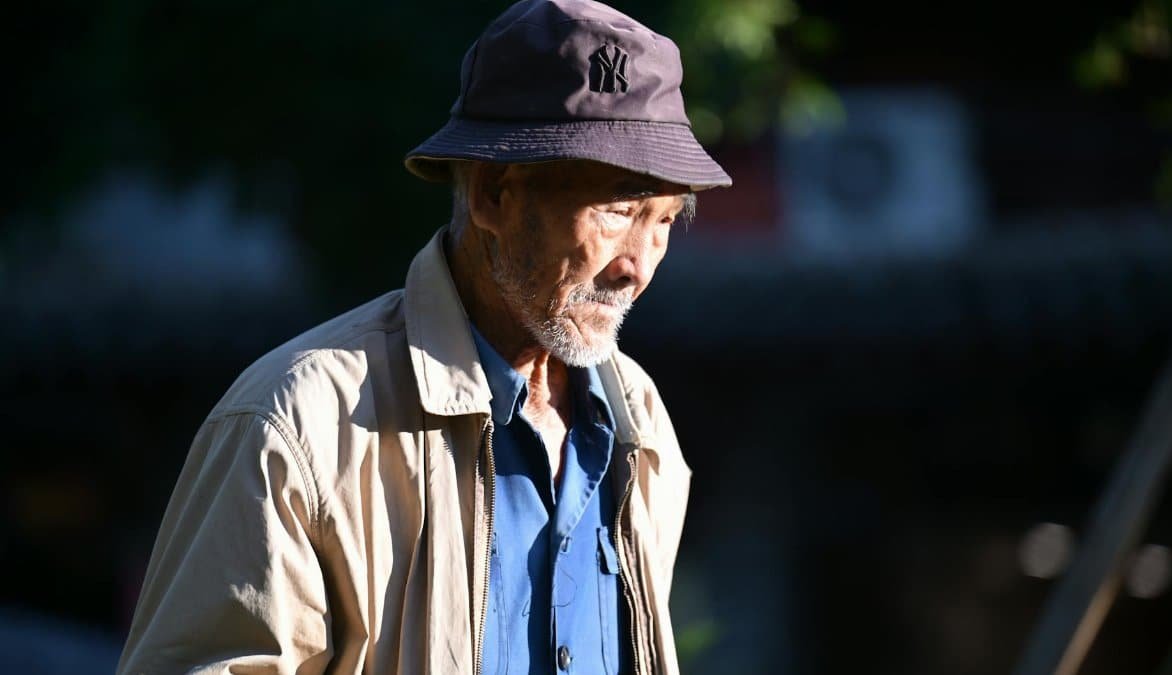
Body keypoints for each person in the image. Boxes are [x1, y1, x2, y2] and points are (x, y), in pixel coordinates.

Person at [117, 0, 730, 673]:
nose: (637, 266)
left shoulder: (637, 422)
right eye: (617, 211)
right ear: (494, 194)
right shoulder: (297, 424)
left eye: (665, 219)